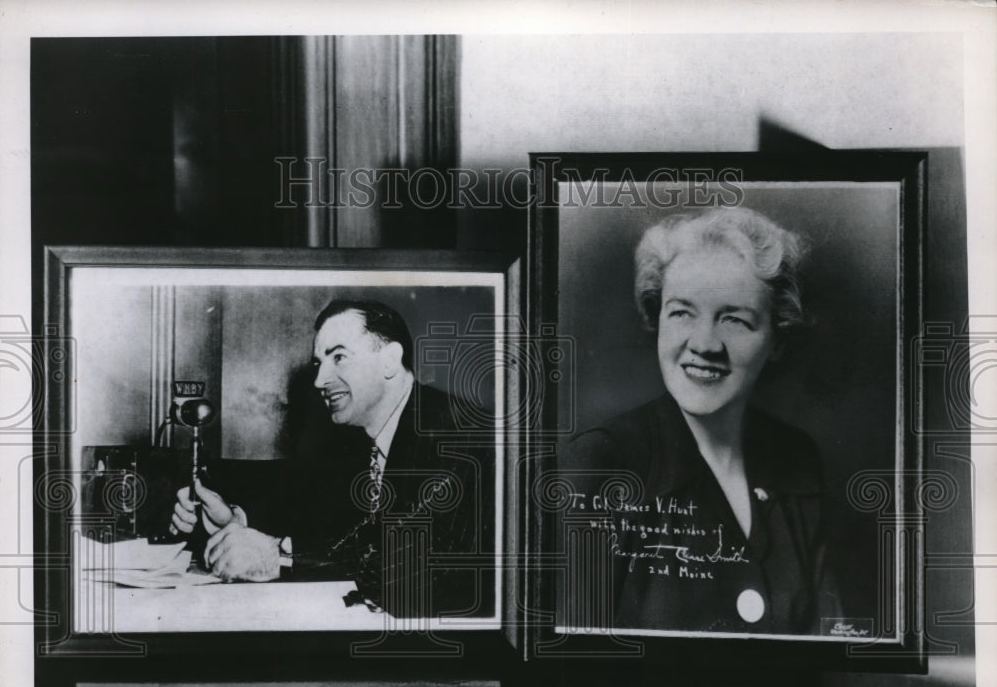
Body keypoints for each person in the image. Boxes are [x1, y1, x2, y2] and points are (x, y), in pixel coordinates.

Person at [564, 207, 839, 635]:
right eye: (682, 312)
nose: (705, 344)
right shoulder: (603, 463)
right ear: (657, 321)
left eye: (734, 319)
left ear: (778, 340)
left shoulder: (796, 459)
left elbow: (827, 648)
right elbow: (568, 666)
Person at [170, 299, 495, 619]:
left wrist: (280, 557)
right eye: (318, 364)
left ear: (390, 361)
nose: (319, 380)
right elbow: (334, 533)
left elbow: (422, 572)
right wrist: (234, 523)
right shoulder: (359, 442)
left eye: (339, 357)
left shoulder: (455, 435)